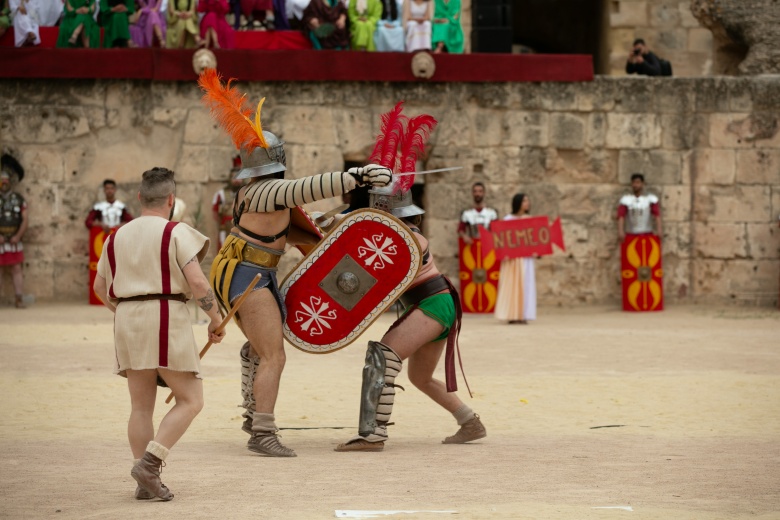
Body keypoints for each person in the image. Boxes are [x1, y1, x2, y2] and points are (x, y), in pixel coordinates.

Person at [200, 69, 392, 457]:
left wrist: (341, 213)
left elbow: (296, 226)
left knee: (259, 349)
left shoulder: (259, 193)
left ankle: (254, 416)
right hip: (248, 276)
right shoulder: (266, 191)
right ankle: (262, 433)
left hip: (252, 273)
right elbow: (305, 188)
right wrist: (354, 176)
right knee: (274, 354)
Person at [93, 167, 225, 502]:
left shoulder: (114, 238)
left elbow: (100, 288)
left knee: (140, 407)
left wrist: (126, 313)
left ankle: (143, 480)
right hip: (165, 316)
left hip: (126, 318)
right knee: (191, 400)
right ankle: (150, 466)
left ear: (139, 197)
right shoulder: (176, 233)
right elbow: (197, 283)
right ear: (171, 199)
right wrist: (215, 318)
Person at [335, 175, 486, 452]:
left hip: (431, 304)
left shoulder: (408, 238)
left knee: (382, 357)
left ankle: (373, 434)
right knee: (420, 377)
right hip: (435, 305)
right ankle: (469, 422)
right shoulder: (401, 236)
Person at [494, 193, 536, 324]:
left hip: (525, 259)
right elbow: (501, 239)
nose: (527, 203)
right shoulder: (507, 219)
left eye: (528, 200)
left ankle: (523, 314)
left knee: (526, 285)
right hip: (511, 259)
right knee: (511, 284)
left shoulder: (530, 219)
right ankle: (512, 314)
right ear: (518, 202)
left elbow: (534, 239)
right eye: (524, 201)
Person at [0, 154, 28, 309]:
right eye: (1, 179)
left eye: (6, 179)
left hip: (14, 240)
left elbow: (25, 219)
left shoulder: (19, 199)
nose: (4, 182)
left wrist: (18, 236)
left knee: (16, 268)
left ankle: (18, 298)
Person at [211, 156, 244, 250]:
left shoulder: (246, 194)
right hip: (225, 229)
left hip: (242, 229)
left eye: (239, 178)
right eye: (235, 178)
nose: (237, 181)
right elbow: (215, 212)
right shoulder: (221, 194)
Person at [617, 173, 661, 242]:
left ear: (642, 184)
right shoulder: (626, 200)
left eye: (637, 182)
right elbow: (621, 216)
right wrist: (620, 231)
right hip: (630, 234)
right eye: (633, 182)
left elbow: (657, 215)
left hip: (647, 234)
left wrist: (659, 229)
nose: (635, 185)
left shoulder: (650, 199)